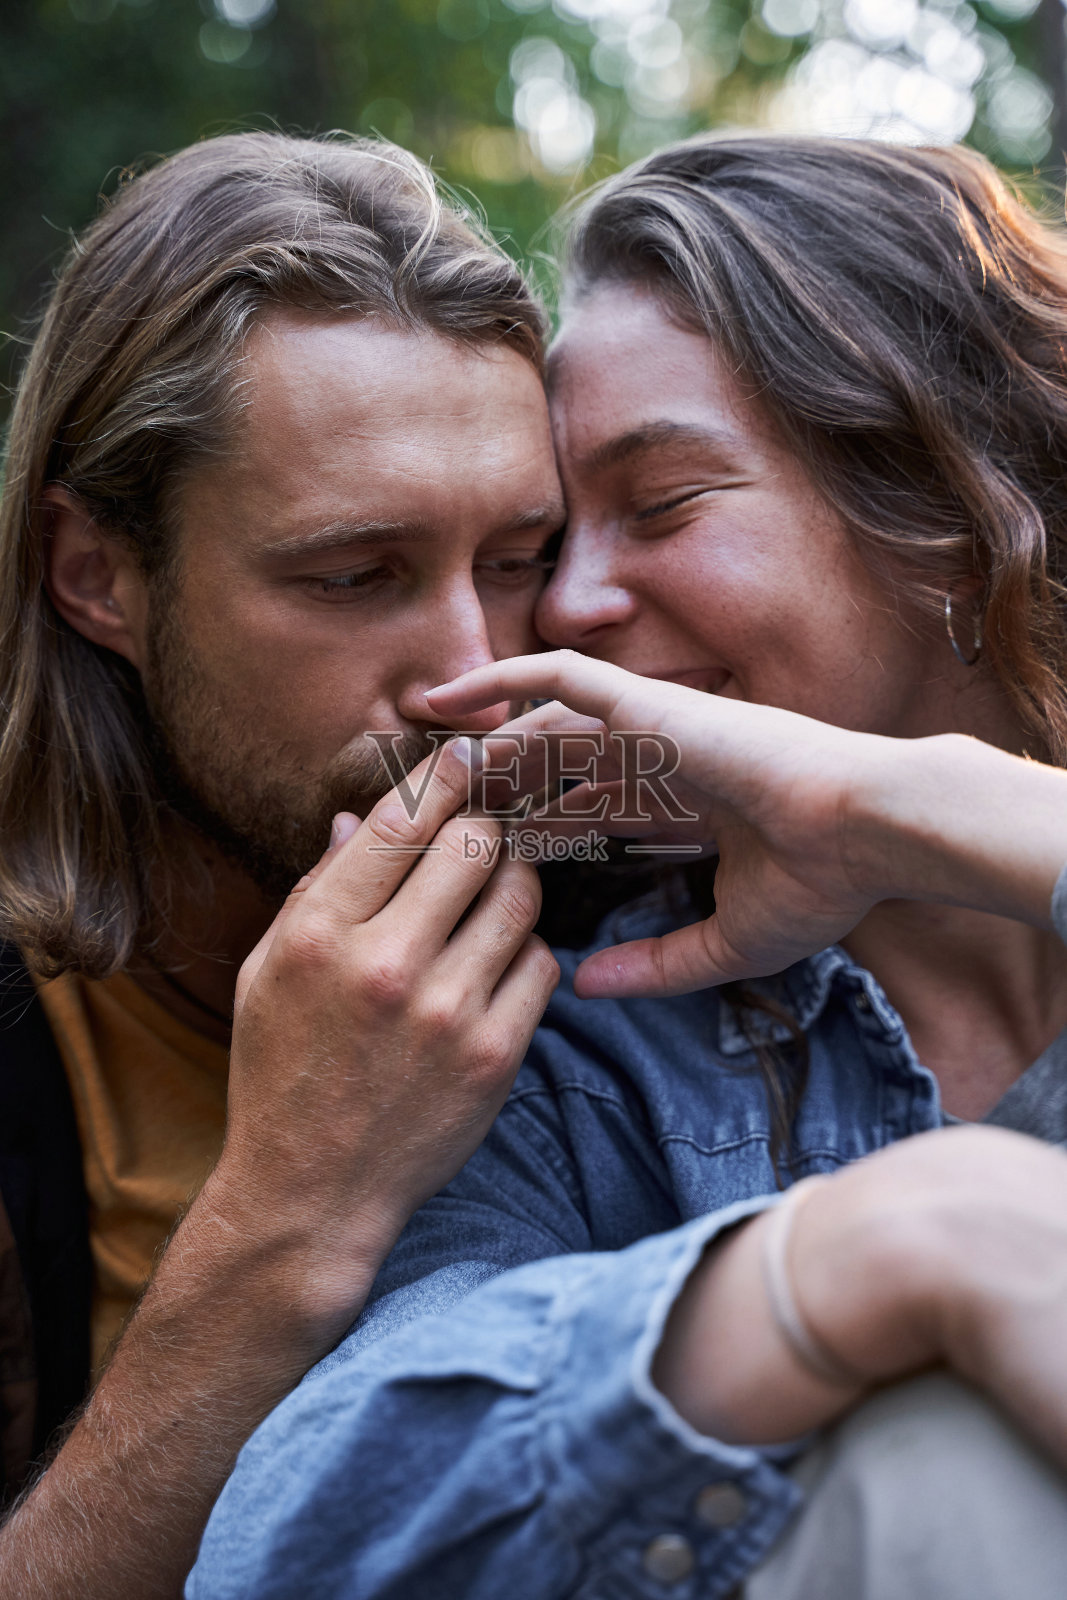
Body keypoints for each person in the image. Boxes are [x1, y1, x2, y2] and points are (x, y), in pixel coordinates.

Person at [188, 137, 1067, 1600]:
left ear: (948, 508)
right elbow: (294, 1535)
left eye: (659, 506)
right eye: (557, 542)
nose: (571, 610)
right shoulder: (584, 1021)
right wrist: (843, 1264)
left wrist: (957, 811)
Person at [0, 130, 564, 1598]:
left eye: (520, 557)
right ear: (97, 576)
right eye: (353, 575)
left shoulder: (656, 913)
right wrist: (287, 1221)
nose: (479, 671)